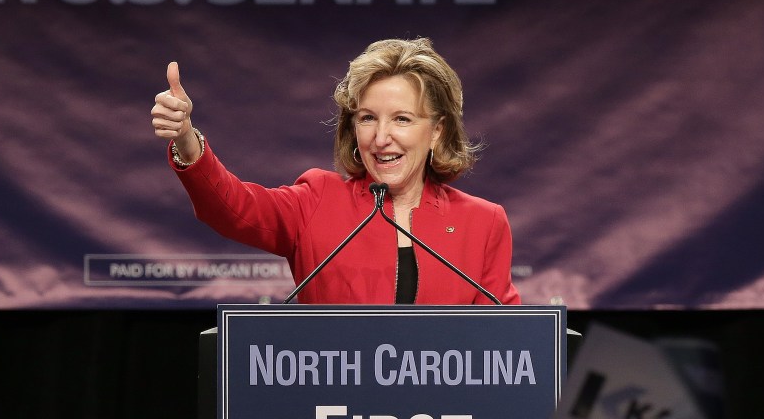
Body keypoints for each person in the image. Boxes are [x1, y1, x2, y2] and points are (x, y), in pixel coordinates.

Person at [151, 37, 520, 304]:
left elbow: (503, 350)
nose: (381, 137)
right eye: (367, 118)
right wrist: (186, 139)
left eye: (402, 119)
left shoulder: (483, 222)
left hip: (446, 412)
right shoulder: (317, 200)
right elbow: (232, 207)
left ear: (436, 131)